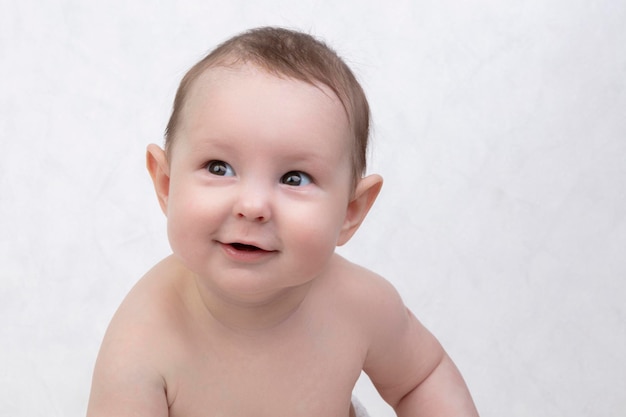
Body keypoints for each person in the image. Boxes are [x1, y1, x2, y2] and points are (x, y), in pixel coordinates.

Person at [87, 26, 479, 417]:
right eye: (219, 167)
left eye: (294, 178)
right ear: (167, 184)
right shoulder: (144, 333)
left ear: (350, 211)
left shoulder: (360, 303)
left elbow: (421, 379)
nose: (253, 205)